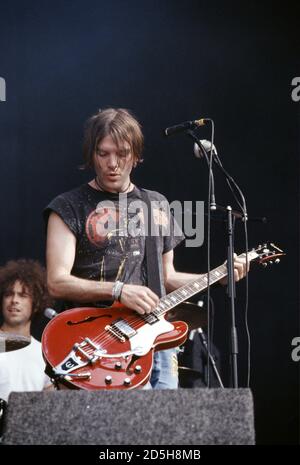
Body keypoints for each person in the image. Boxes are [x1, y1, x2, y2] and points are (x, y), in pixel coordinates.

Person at [44, 108, 248, 389]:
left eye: (122, 153)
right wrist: (119, 290)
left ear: (136, 156)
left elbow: (166, 278)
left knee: (160, 427)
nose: (112, 163)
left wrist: (219, 276)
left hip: (156, 338)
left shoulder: (156, 204)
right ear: (91, 155)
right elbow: (56, 282)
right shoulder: (68, 206)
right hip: (97, 343)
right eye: (103, 154)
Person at [0, 259, 53, 402]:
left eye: (23, 295)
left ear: (36, 304)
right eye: (8, 294)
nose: (14, 300)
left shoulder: (45, 354)